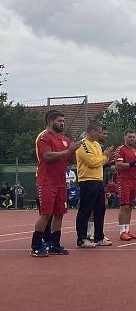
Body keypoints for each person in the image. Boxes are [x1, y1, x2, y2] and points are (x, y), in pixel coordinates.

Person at [30, 110, 82, 257]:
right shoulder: (44, 138)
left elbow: (72, 161)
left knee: (59, 214)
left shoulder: (64, 139)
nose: (62, 123)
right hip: (46, 181)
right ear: (50, 121)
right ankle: (36, 245)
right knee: (46, 214)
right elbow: (47, 156)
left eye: (63, 121)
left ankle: (55, 244)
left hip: (61, 182)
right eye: (59, 121)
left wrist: (73, 151)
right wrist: (68, 151)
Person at [75, 123, 117, 248]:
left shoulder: (97, 145)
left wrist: (108, 159)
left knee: (100, 209)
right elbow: (92, 162)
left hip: (98, 180)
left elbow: (100, 162)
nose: (100, 134)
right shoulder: (83, 144)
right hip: (87, 180)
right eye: (99, 132)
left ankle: (99, 237)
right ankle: (81, 239)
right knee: (85, 210)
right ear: (92, 131)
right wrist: (105, 156)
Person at [114, 130, 136, 240]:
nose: (132, 139)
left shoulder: (135, 151)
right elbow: (118, 165)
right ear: (125, 137)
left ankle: (127, 229)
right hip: (124, 180)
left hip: (134, 180)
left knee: (130, 206)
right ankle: (122, 231)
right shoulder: (120, 149)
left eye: (133, 137)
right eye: (130, 137)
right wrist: (134, 164)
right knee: (124, 206)